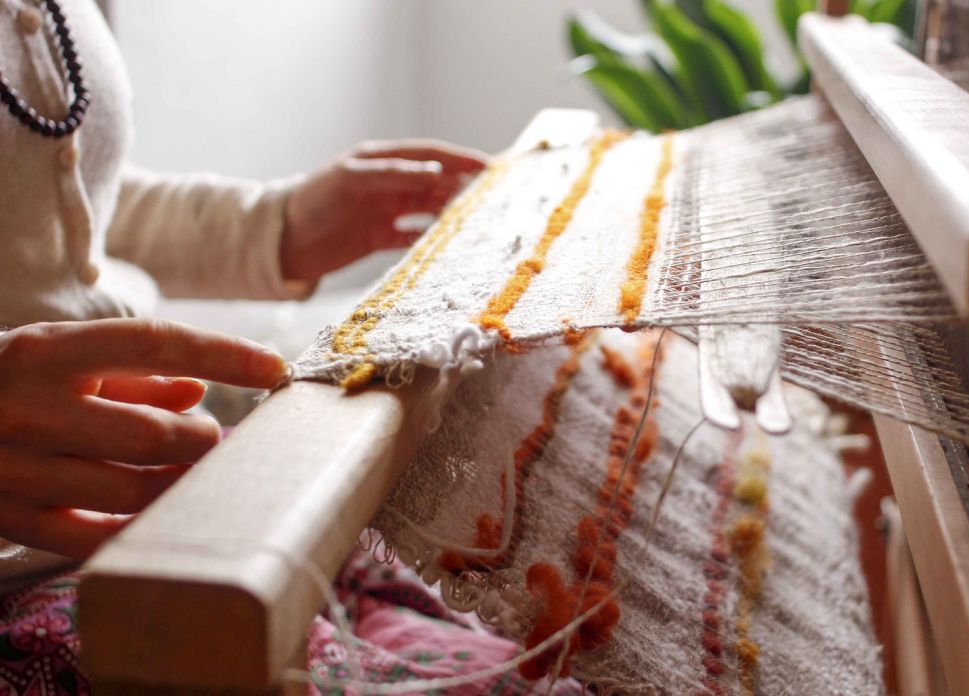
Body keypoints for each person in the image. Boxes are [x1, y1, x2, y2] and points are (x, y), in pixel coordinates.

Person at [0, 1, 574, 693]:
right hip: (48, 579)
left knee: (530, 636)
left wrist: (276, 225)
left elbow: (73, 206)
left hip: (164, 500)